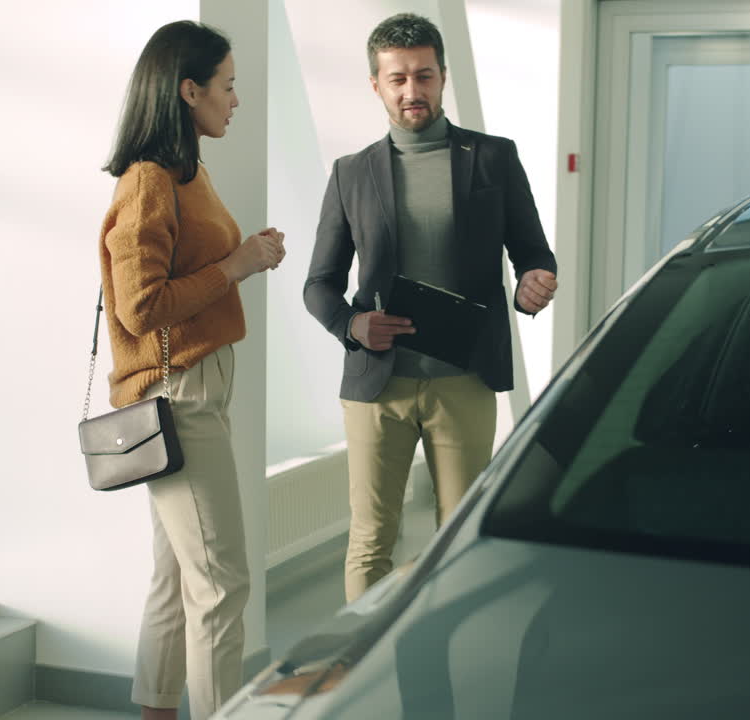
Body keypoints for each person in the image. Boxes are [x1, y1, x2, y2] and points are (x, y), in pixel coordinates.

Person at [303, 13, 558, 603]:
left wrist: (532, 286)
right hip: (377, 386)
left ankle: (441, 668)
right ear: (377, 85)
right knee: (370, 542)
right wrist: (351, 324)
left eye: (423, 75)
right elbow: (319, 283)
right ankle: (363, 678)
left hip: (464, 380)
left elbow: (533, 254)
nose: (411, 91)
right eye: (397, 79)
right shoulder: (351, 173)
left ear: (443, 77)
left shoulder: (493, 158)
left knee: (457, 538)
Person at [99, 20, 285, 720]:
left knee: (179, 573)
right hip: (178, 396)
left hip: (198, 391)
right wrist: (237, 266)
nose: (235, 99)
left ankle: (156, 711)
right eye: (227, 86)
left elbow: (191, 270)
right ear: (188, 91)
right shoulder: (148, 180)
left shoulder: (190, 171)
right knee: (222, 582)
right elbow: (141, 306)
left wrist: (247, 254)